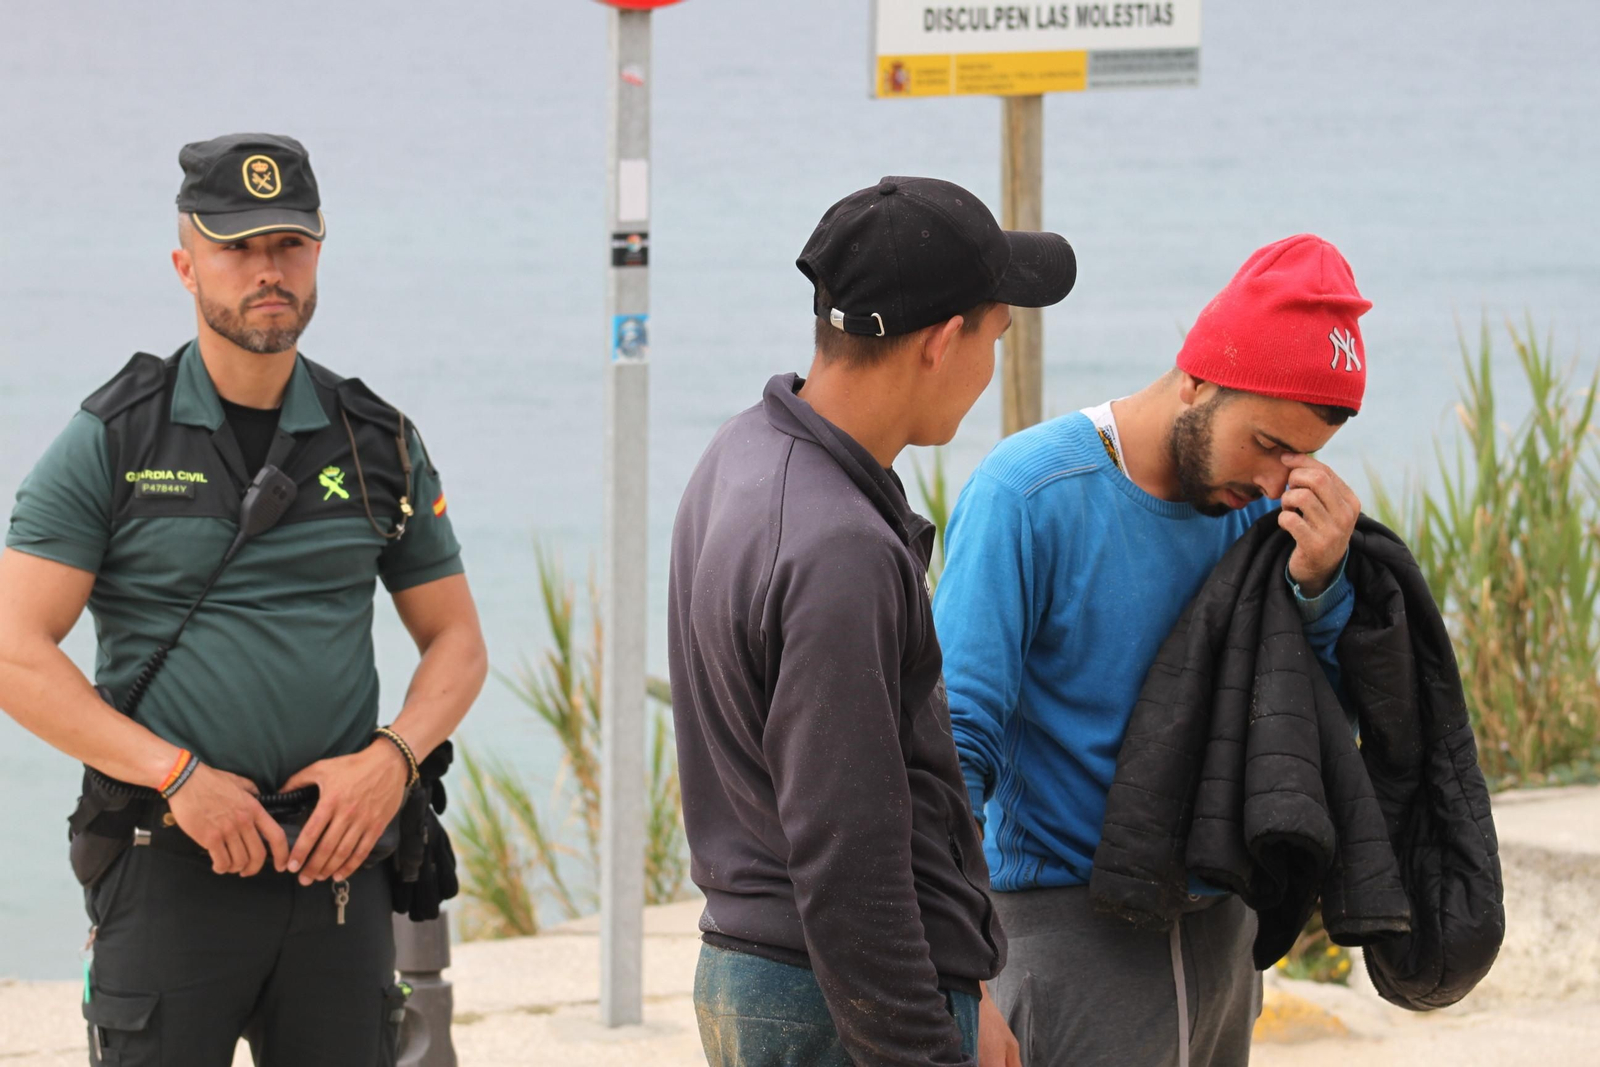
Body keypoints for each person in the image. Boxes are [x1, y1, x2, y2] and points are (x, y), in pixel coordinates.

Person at [0, 132, 487, 1066]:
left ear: (318, 252)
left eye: (289, 244)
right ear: (186, 265)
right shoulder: (111, 437)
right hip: (167, 867)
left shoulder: (378, 440)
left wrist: (391, 760)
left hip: (340, 875)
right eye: (237, 246)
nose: (268, 270)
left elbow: (457, 641)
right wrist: (178, 775)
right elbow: (19, 649)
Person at [667, 176, 1076, 1067]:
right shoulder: (837, 548)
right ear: (941, 343)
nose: (993, 362)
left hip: (769, 969)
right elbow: (848, 854)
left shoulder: (742, 453)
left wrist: (966, 983)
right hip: (828, 996)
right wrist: (926, 1046)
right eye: (997, 335)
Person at [934, 234, 1370, 1067]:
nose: (1280, 479)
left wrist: (1323, 587)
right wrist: (965, 977)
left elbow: (1306, 739)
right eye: (1270, 444)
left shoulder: (1265, 514)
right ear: (1198, 379)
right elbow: (952, 750)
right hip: (1064, 934)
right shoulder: (1028, 494)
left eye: (1305, 456)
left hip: (1221, 935)